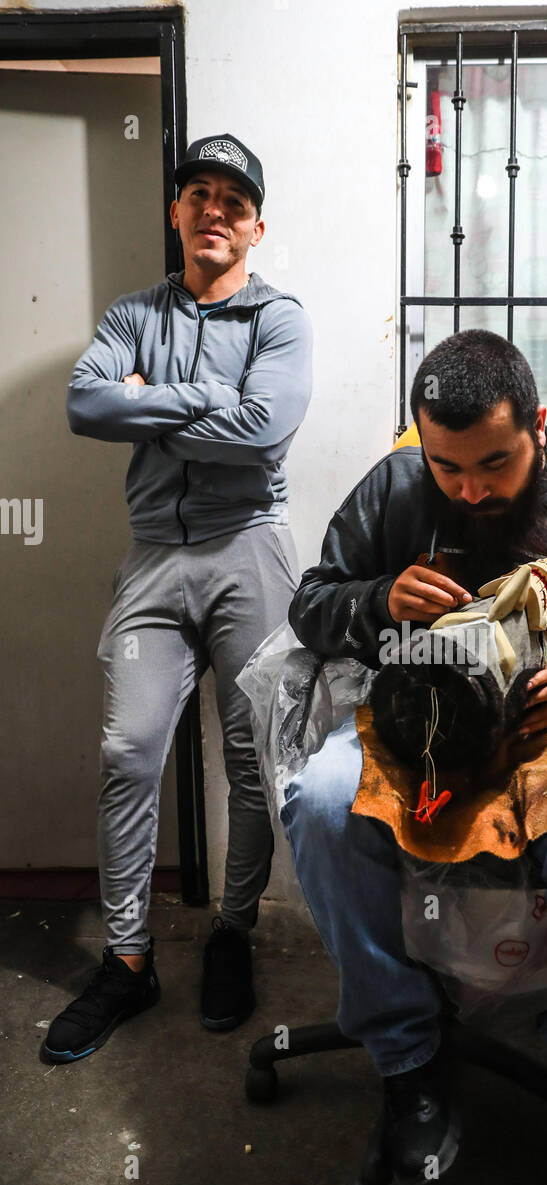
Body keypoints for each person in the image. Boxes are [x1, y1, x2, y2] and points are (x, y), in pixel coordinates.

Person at [282, 330, 547, 1185]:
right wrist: (374, 599)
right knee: (322, 805)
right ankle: (407, 1057)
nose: (469, 489)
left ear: (537, 427)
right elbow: (312, 604)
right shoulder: (397, 488)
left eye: (494, 465)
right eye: (447, 467)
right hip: (418, 723)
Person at [43, 134, 313, 1064]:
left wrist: (153, 399)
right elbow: (85, 405)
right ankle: (126, 961)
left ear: (255, 226)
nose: (214, 210)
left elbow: (266, 426)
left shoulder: (281, 320)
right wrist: (207, 402)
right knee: (128, 751)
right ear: (176, 213)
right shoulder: (131, 313)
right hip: (155, 558)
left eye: (232, 200)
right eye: (198, 193)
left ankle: (232, 933)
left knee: (251, 760)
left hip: (251, 553)